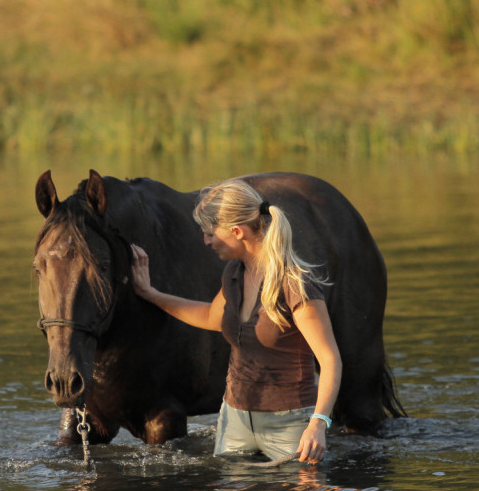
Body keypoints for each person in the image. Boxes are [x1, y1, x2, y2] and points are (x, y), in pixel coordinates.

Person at [130, 179, 341, 464]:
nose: (206, 242)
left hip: (290, 425)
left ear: (237, 232)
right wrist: (150, 294)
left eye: (209, 234)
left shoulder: (295, 286)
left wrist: (318, 424)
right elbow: (209, 316)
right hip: (234, 421)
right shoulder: (233, 274)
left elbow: (329, 360)